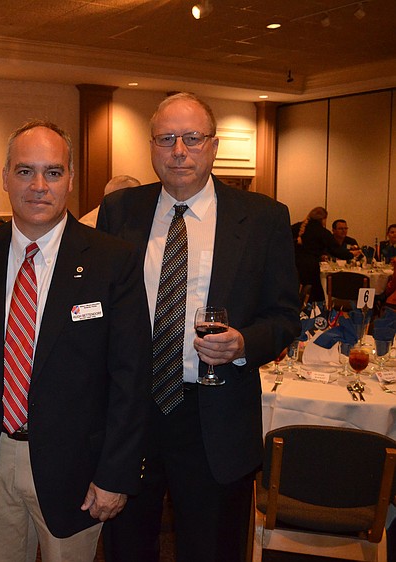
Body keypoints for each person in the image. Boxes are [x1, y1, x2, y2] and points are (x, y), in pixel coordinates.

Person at [98, 92, 299, 562]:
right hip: (133, 416)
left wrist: (244, 343)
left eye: (192, 138)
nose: (179, 151)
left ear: (213, 145)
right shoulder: (120, 211)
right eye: (167, 139)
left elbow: (286, 316)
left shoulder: (263, 218)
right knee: (127, 547)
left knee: (212, 549)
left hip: (217, 417)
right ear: (151, 146)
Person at [0, 120, 150, 561]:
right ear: (4, 177)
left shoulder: (112, 260)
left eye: (53, 172)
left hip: (77, 473)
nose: (38, 186)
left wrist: (116, 473)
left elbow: (131, 379)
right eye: (24, 171)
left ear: (71, 180)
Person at [292, 207, 358, 302]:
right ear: (323, 219)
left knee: (298, 293)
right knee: (315, 295)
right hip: (310, 267)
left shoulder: (297, 227)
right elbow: (336, 250)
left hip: (294, 265)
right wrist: (351, 254)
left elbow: (283, 239)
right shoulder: (322, 232)